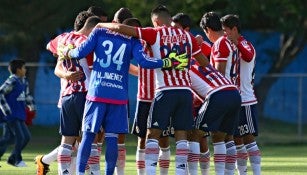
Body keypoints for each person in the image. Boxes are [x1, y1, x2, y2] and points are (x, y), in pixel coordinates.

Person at [57, 17, 187, 175]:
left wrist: (66, 51)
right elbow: (145, 61)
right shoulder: (133, 41)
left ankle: (80, 173)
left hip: (97, 92)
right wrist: (167, 62)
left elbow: (80, 52)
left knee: (88, 134)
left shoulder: (99, 32)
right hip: (118, 95)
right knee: (112, 137)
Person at [97, 4, 210, 175]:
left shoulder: (155, 33)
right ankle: (181, 172)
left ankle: (149, 172)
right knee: (181, 137)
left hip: (165, 91)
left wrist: (100, 25)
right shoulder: (187, 36)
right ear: (171, 19)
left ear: (156, 21)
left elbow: (120, 28)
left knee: (151, 135)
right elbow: (203, 62)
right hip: (185, 92)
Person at [35, 13, 101, 175]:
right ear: (93, 28)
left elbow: (49, 46)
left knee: (67, 139)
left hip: (66, 95)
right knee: (90, 138)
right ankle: (93, 172)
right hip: (85, 95)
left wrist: (63, 55)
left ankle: (64, 172)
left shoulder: (63, 37)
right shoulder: (88, 43)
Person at [200, 11, 241, 175]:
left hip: (223, 94)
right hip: (234, 94)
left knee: (214, 136)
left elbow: (218, 74)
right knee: (228, 138)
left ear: (208, 29)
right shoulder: (231, 42)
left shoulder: (219, 44)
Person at [172, 12, 212, 175]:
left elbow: (211, 69)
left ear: (186, 29)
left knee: (202, 139)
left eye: (176, 28)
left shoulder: (205, 47)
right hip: (183, 98)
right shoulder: (173, 45)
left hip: (201, 100)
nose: (173, 31)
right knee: (184, 138)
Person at [221, 14, 261, 175]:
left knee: (248, 139)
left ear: (234, 29)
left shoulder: (245, 43)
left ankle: (257, 172)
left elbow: (249, 55)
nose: (225, 34)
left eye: (226, 31)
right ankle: (242, 173)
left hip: (246, 100)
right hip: (235, 100)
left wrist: (236, 42)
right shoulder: (230, 46)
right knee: (237, 140)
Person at [0, 59, 36, 167]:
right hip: (11, 115)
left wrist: (32, 107)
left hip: (20, 114)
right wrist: (6, 110)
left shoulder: (24, 81)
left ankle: (13, 158)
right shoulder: (12, 81)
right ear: (18, 70)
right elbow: (0, 93)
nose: (26, 70)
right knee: (21, 137)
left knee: (14, 138)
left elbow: (27, 95)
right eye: (24, 68)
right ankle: (14, 159)